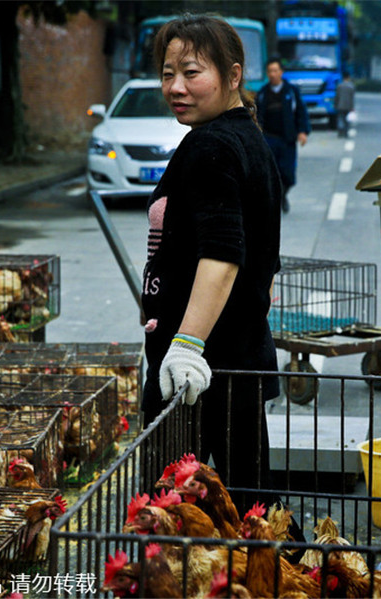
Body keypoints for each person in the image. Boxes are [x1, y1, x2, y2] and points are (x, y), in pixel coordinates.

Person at [141, 14, 283, 510]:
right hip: (239, 362)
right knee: (256, 510)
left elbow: (223, 257)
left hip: (196, 379)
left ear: (234, 76)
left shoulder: (212, 147)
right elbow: (262, 263)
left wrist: (185, 346)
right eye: (167, 73)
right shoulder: (247, 139)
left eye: (192, 72)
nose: (176, 87)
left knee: (163, 516)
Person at [255, 57, 310, 214]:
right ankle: (276, 200)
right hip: (268, 138)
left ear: (281, 72)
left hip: (287, 139)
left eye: (275, 70)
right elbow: (257, 116)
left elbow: (301, 112)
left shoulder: (291, 91)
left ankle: (282, 195)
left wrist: (302, 131)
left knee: (288, 174)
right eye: (270, 71)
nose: (273, 74)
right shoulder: (263, 93)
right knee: (272, 172)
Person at [335, 73, 355, 138]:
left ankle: (340, 132)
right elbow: (352, 98)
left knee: (340, 119)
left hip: (340, 105)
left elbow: (337, 97)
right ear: (348, 77)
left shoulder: (339, 86)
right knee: (347, 120)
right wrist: (352, 107)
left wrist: (335, 105)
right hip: (348, 106)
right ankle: (346, 132)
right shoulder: (351, 86)